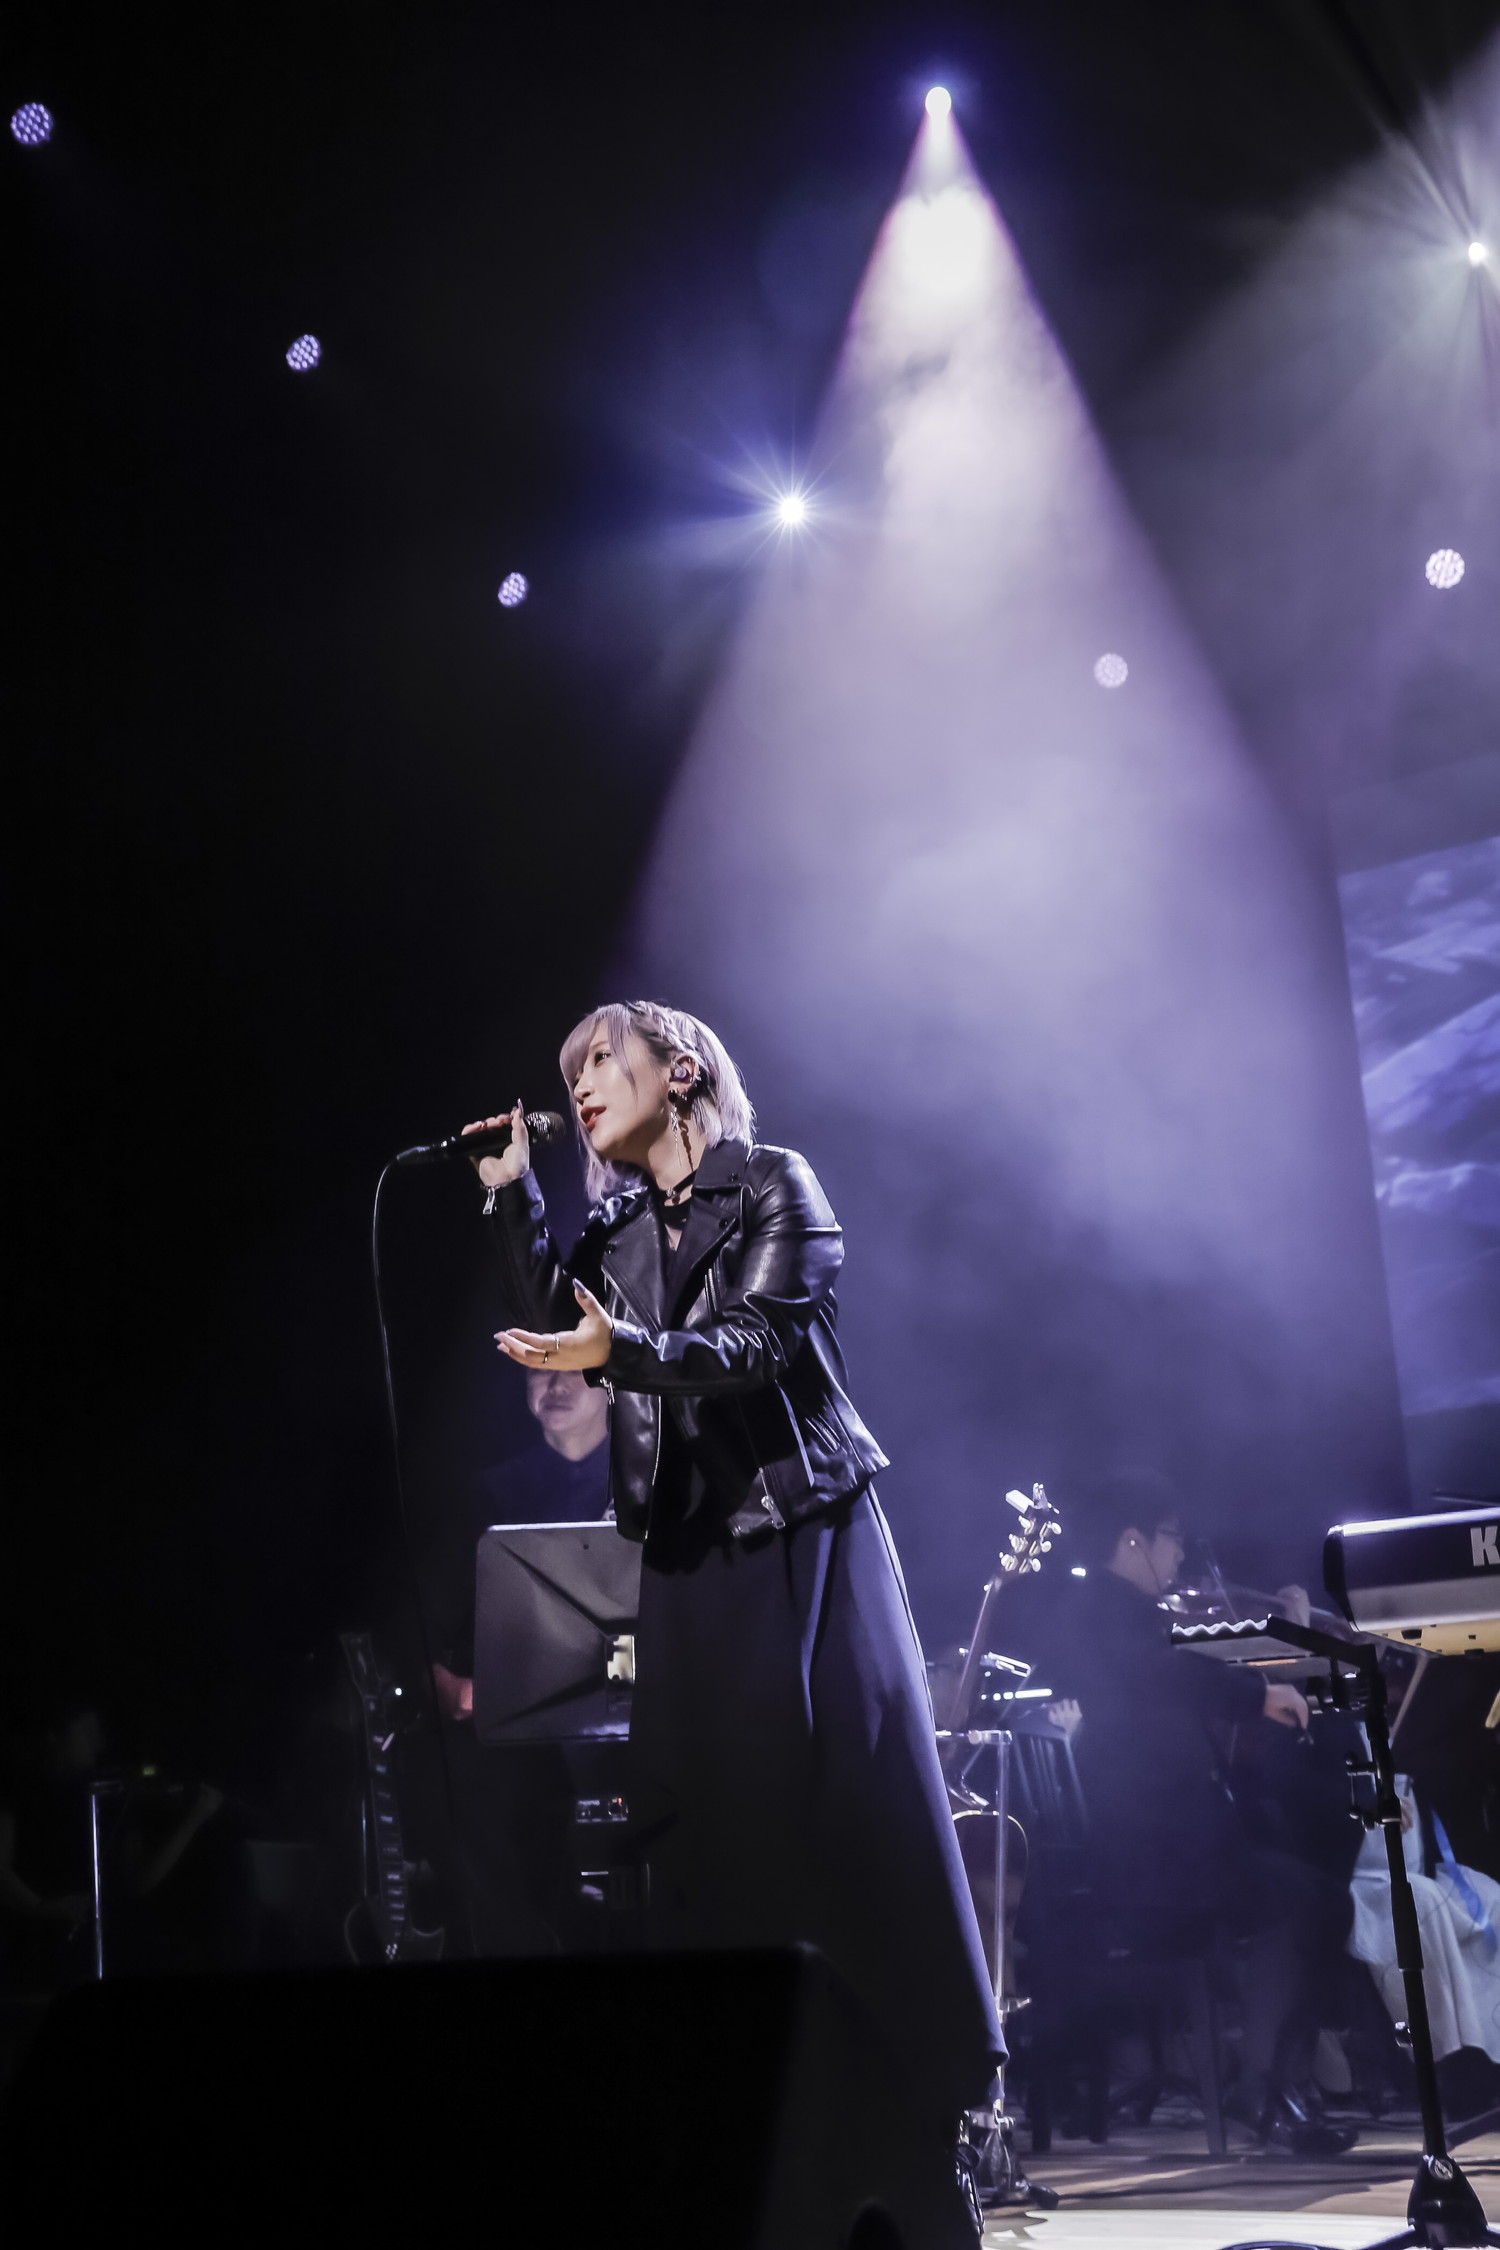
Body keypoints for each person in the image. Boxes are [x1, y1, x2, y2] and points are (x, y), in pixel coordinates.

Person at [463, 998, 1002, 2133]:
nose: (580, 1087)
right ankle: (754, 2101)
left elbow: (753, 1343)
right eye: (569, 1076)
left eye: (601, 1059)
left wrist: (623, 1349)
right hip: (689, 1555)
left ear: (682, 1068)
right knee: (709, 1833)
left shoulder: (773, 1185)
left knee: (845, 1818)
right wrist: (512, 1194)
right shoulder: (617, 1233)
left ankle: (910, 2106)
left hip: (800, 1535)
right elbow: (558, 1322)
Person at [1016, 1468, 1357, 2155]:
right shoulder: (1107, 1612)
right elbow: (1161, 1672)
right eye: (1171, 1537)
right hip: (1151, 1858)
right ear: (1133, 1540)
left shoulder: (1110, 1613)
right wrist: (1256, 1694)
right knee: (1309, 1901)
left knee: (1308, 1895)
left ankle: (1266, 2080)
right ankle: (1262, 2086)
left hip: (1157, 1844)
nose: (1179, 1553)